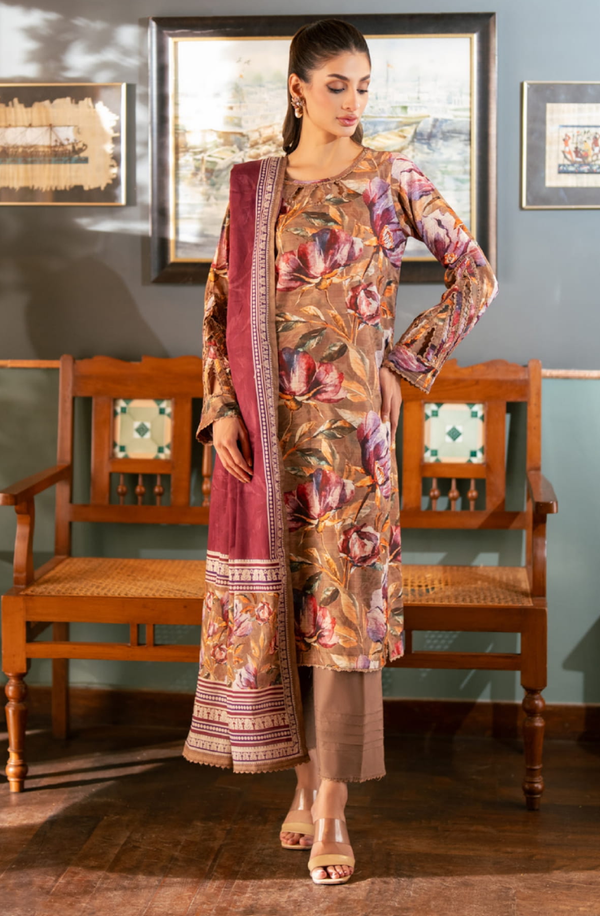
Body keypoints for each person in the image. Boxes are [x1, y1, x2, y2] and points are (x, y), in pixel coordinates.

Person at [183, 19, 499, 886]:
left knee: (341, 620)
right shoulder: (254, 187)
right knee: (285, 616)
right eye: (336, 85)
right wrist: (221, 409)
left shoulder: (391, 177)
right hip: (265, 438)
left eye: (364, 85)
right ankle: (297, 786)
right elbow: (219, 307)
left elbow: (474, 274)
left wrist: (405, 362)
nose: (354, 101)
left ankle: (331, 809)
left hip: (350, 449)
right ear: (298, 90)